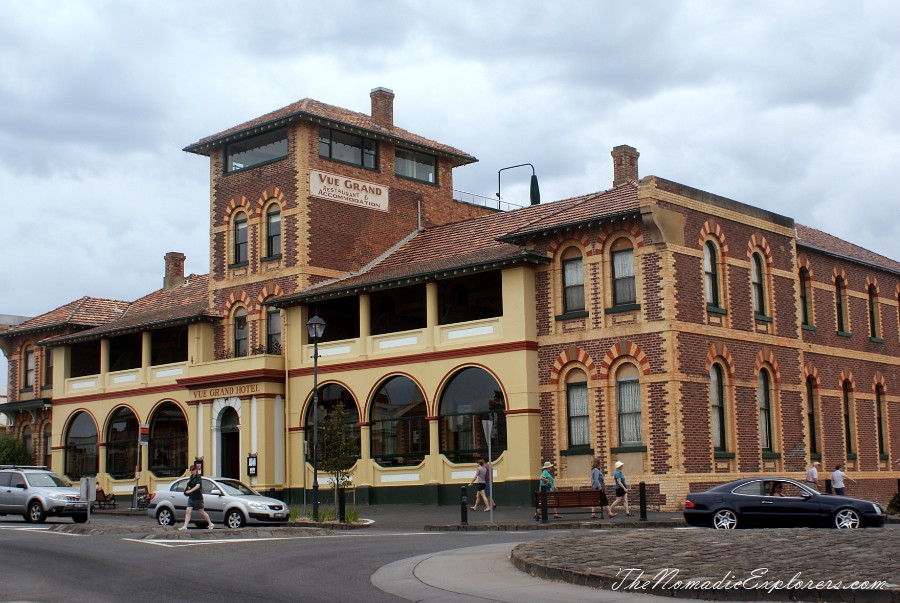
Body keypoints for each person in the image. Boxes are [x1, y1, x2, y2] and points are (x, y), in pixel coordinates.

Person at [180, 464, 214, 530]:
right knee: (188, 511)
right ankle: (185, 526)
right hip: (191, 497)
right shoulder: (191, 477)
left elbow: (197, 486)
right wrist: (188, 484)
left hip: (197, 497)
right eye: (190, 470)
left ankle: (210, 523)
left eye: (193, 470)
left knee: (201, 511)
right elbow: (189, 485)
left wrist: (190, 491)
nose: (191, 471)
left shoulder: (198, 477)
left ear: (196, 470)